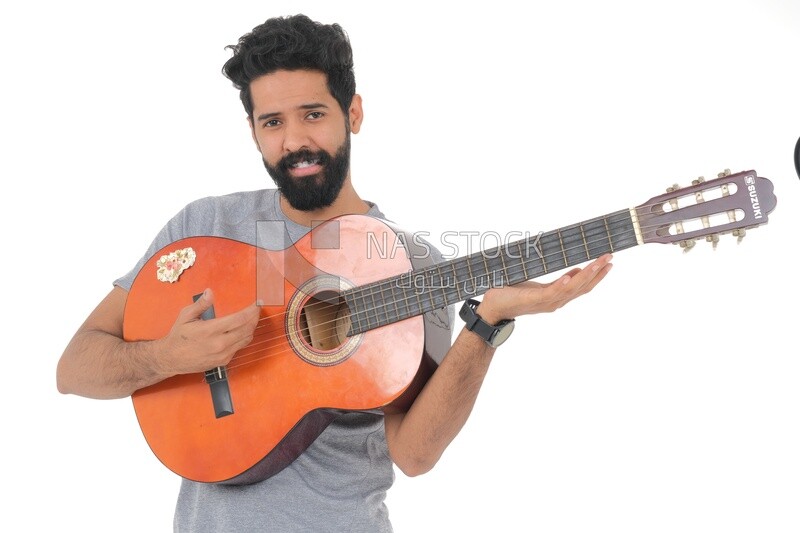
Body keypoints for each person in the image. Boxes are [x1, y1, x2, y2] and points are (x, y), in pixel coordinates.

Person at [56, 14, 613, 532]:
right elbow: (74, 369)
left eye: (314, 114)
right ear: (253, 130)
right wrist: (168, 357)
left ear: (354, 114)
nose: (295, 140)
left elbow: (414, 454)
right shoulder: (206, 228)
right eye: (273, 122)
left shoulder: (407, 262)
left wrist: (489, 322)